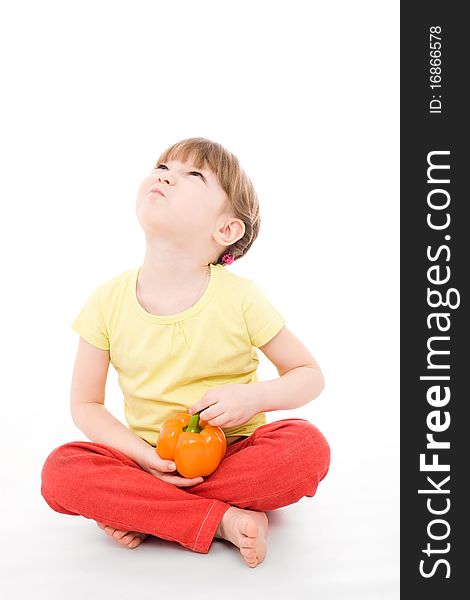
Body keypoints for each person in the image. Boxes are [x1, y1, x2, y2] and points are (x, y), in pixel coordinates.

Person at [40, 137, 330, 568]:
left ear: (227, 229)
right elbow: (86, 404)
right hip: (146, 459)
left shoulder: (241, 298)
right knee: (60, 472)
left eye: (193, 174)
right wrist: (144, 458)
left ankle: (147, 511)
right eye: (162, 166)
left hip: (234, 454)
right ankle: (219, 520)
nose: (165, 174)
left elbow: (309, 374)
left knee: (306, 447)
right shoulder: (105, 301)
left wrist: (250, 398)